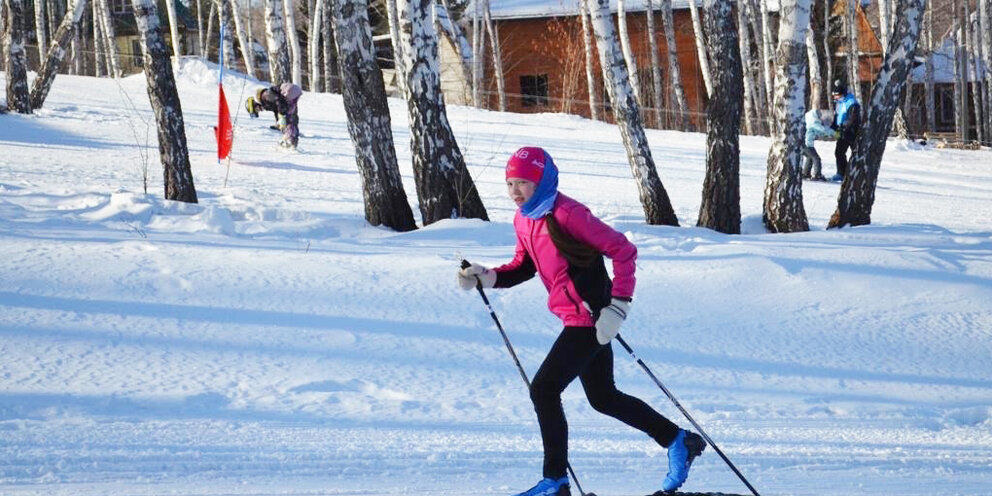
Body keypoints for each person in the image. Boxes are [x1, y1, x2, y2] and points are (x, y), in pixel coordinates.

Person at [457, 147, 706, 496]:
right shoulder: (525, 218)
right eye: (510, 183)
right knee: (603, 397)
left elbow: (623, 250)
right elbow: (524, 266)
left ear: (542, 181)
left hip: (592, 320)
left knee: (544, 389)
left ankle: (555, 481)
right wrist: (486, 277)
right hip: (575, 318)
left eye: (524, 183)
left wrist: (618, 307)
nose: (515, 191)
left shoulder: (568, 213)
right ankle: (678, 440)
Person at [245, 82, 302, 149]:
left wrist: (282, 114)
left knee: (287, 116)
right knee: (291, 116)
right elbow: (276, 110)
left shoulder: (265, 95)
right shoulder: (266, 103)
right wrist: (278, 123)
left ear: (255, 104)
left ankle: (289, 140)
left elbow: (278, 100)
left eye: (257, 110)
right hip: (294, 91)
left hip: (288, 90)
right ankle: (293, 139)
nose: (260, 110)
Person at [830, 79, 861, 181]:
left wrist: (847, 128)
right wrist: (833, 128)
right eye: (834, 95)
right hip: (842, 131)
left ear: (842, 94)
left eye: (837, 95)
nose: (835, 97)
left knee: (855, 153)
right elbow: (837, 116)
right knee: (839, 152)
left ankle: (855, 173)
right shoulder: (839, 102)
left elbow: (854, 119)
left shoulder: (851, 103)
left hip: (851, 132)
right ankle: (842, 173)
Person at [802, 108, 835, 181]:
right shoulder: (814, 123)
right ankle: (817, 175)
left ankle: (805, 173)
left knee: (809, 157)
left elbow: (819, 133)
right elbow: (823, 130)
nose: (820, 118)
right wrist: (835, 133)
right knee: (816, 158)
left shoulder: (808, 121)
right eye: (819, 116)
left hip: (804, 144)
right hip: (807, 145)